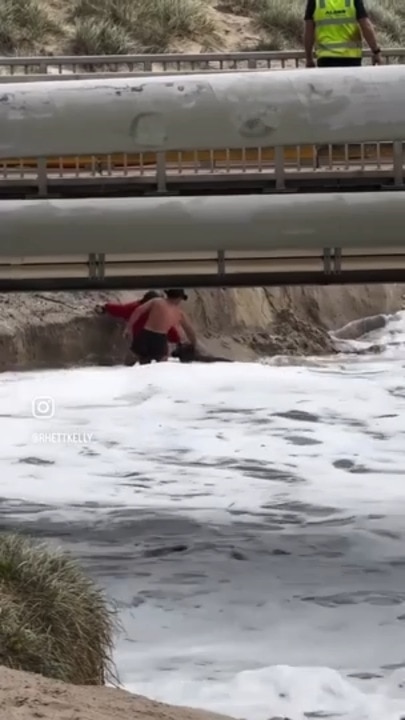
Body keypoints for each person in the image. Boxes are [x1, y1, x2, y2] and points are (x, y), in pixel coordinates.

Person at [97, 291, 182, 362]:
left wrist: (104, 308)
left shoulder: (135, 307)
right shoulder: (161, 313)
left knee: (140, 363)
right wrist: (178, 341)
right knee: (158, 364)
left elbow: (120, 309)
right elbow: (170, 331)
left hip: (141, 343)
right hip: (154, 345)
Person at [126, 288, 197, 365]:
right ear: (179, 298)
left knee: (134, 360)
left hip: (145, 334)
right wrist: (193, 343)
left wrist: (129, 327)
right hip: (160, 339)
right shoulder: (179, 313)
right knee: (161, 364)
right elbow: (189, 330)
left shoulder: (157, 301)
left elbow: (138, 311)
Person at [303, 0, 382, 68]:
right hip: (351, 58)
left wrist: (309, 59)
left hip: (326, 59)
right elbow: (365, 26)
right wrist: (375, 51)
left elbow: (308, 31)